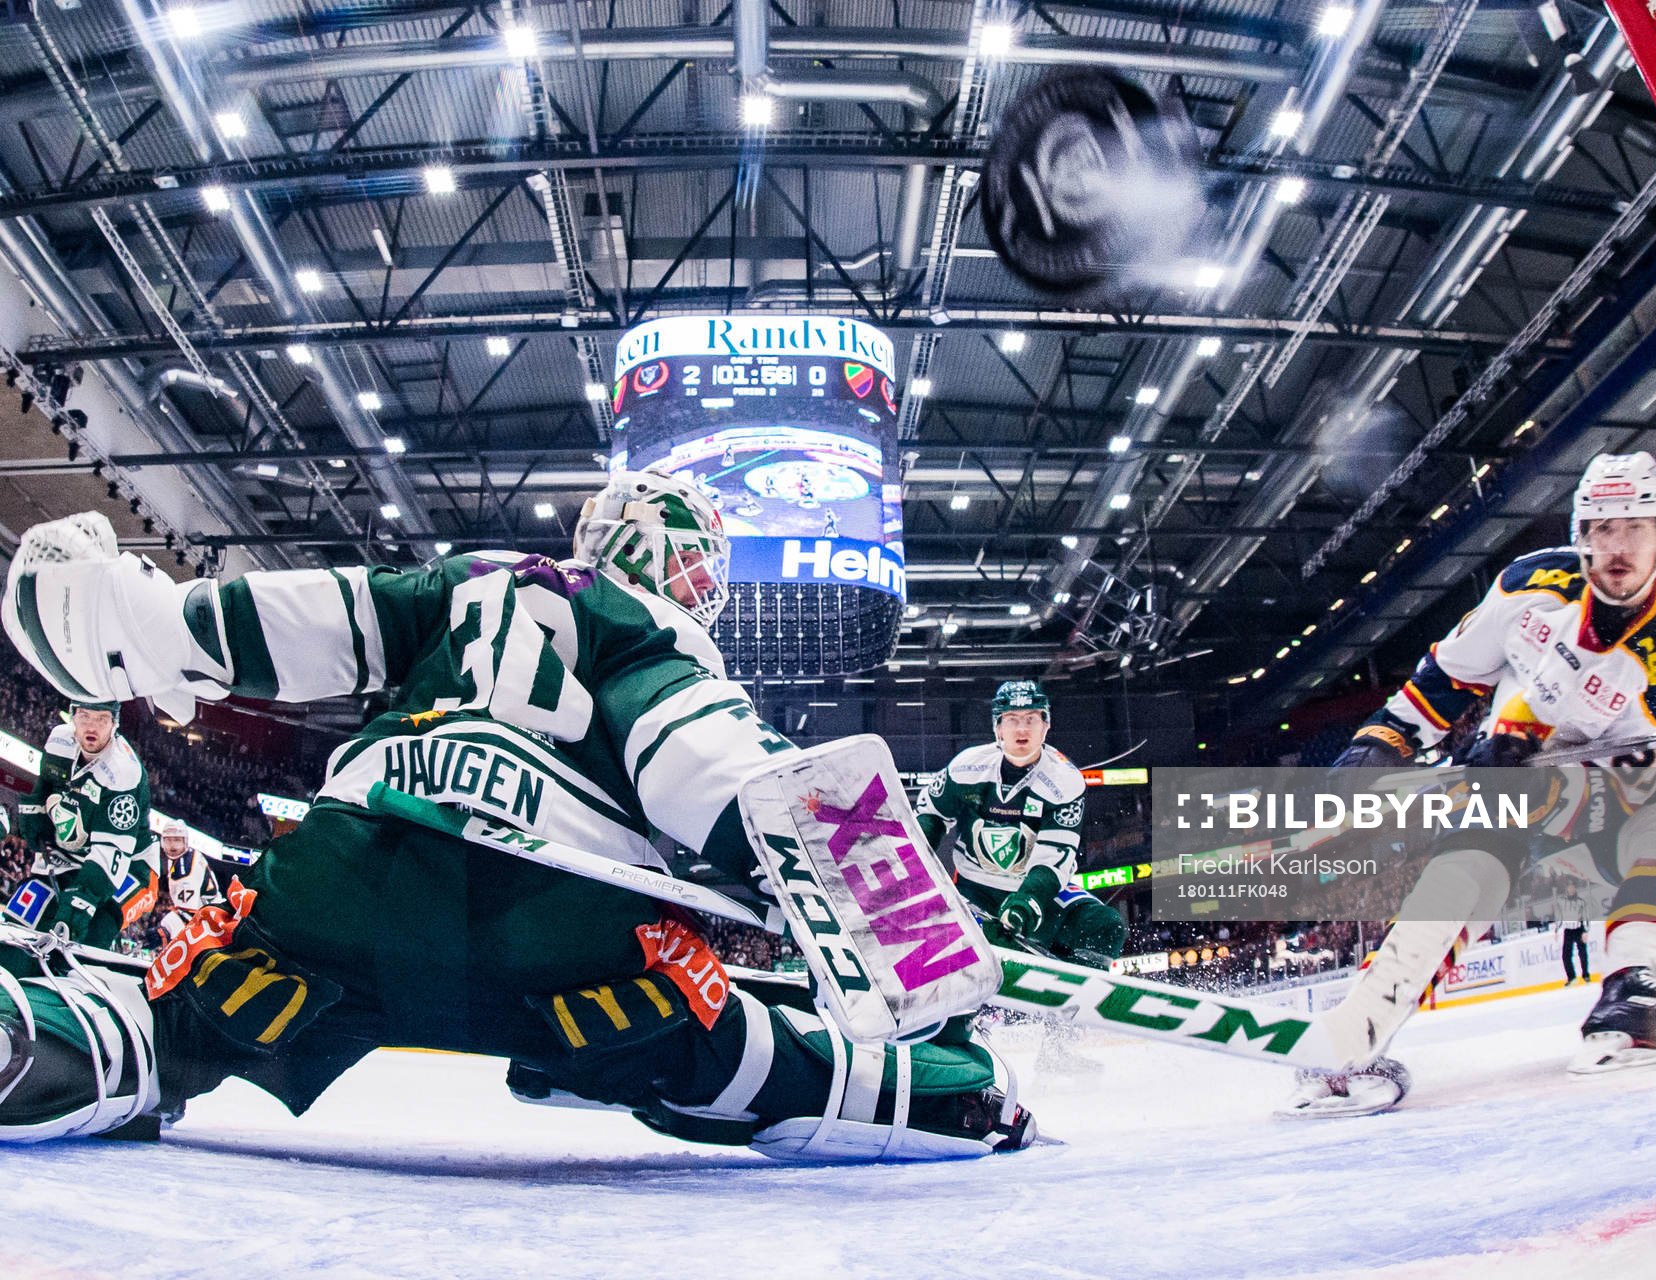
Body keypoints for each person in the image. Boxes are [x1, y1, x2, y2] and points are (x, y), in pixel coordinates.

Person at [0, 470, 1032, 1159]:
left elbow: (284, 622)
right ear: (649, 543)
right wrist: (860, 906)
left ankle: (43, 1042)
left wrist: (122, 615)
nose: (701, 585)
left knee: (188, 1013)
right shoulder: (648, 630)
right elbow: (715, 773)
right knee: (726, 1053)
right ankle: (956, 1095)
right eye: (693, 559)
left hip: (353, 879)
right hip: (565, 949)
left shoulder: (463, 583)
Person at [1282, 452, 1656, 1117]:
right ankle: (1358, 1030)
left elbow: (1625, 788)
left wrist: (1519, 752)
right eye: (1602, 529)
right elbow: (1448, 678)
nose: (1618, 547)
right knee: (1469, 869)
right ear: (1581, 536)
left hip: (1611, 804)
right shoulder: (1529, 586)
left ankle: (1633, 990)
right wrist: (1378, 746)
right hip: (1508, 782)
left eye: (1636, 527)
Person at [915, 681, 1125, 1071]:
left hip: (1037, 892)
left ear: (1047, 725)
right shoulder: (966, 767)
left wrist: (1028, 901)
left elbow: (1054, 856)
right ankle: (948, 1045)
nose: (1021, 729)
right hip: (975, 891)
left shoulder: (1064, 781)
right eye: (1011, 719)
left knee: (1105, 925)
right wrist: (912, 863)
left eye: (1031, 719)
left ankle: (1059, 1046)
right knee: (983, 955)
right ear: (997, 728)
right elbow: (929, 816)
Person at [6, 699, 159, 951]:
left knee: (94, 925)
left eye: (102, 719)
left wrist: (81, 902)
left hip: (131, 865)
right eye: (85, 716)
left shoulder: (123, 772)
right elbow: (45, 785)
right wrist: (36, 819)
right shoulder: (59, 740)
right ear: (72, 717)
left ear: (114, 724)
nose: (92, 726)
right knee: (22, 917)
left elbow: (111, 853)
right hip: (70, 852)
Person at [155, 819, 223, 942]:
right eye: (168, 840)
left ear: (185, 841)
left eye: (177, 840)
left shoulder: (184, 871)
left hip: (209, 920)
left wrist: (159, 934)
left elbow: (188, 914)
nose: (173, 846)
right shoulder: (188, 855)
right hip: (211, 912)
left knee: (167, 928)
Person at [1561, 891, 1592, 986]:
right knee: (1565, 955)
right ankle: (1572, 977)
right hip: (1568, 930)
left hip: (1579, 928)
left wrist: (1585, 930)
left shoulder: (1580, 902)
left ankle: (1586, 975)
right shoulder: (1562, 903)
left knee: (1582, 953)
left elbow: (1586, 916)